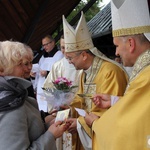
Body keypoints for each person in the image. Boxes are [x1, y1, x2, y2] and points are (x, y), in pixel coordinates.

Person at [84, 0, 150, 149]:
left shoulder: (146, 77)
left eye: (117, 45)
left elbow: (126, 132)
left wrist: (95, 123)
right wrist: (115, 101)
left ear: (131, 44)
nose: (116, 53)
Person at [62, 12, 128, 150]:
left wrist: (79, 123)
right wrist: (67, 109)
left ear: (84, 55)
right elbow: (81, 100)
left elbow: (111, 111)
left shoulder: (110, 72)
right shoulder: (84, 73)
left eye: (70, 58)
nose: (69, 62)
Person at [0, 40, 70, 150]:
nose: (29, 68)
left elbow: (28, 131)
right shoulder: (8, 105)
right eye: (22, 64)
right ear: (2, 69)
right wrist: (51, 135)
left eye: (30, 63)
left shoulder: (16, 95)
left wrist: (48, 124)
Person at [43, 35, 83, 150]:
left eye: (67, 47)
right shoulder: (57, 66)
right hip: (62, 112)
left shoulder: (81, 66)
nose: (65, 51)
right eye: (62, 47)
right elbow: (48, 87)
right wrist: (57, 103)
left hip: (77, 111)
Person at [31, 35, 63, 112]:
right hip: (41, 88)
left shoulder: (60, 55)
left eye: (47, 44)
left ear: (53, 42)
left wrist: (47, 73)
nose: (45, 47)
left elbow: (61, 72)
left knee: (51, 109)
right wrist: (34, 75)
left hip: (52, 89)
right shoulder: (42, 58)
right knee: (41, 109)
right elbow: (39, 73)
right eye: (43, 45)